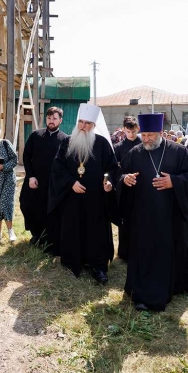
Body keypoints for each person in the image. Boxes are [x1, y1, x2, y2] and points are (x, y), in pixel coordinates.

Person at [117, 112, 188, 311]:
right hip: (142, 216)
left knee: (169, 250)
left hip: (170, 216)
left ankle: (173, 285)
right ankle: (142, 291)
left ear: (161, 133)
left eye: (151, 135)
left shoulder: (179, 151)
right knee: (144, 252)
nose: (146, 139)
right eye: (144, 135)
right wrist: (125, 179)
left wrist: (175, 181)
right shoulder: (135, 152)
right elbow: (120, 172)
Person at [48, 104, 117, 284]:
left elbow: (112, 168)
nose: (83, 126)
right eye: (81, 122)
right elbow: (57, 167)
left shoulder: (102, 144)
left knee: (96, 231)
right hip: (73, 198)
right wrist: (71, 183)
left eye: (87, 123)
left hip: (96, 198)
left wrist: (109, 181)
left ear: (94, 125)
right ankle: (73, 262)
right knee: (73, 228)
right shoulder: (67, 142)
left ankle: (98, 266)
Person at [19, 107, 67, 246]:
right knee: (27, 205)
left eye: (54, 118)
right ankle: (35, 233)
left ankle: (47, 237)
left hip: (52, 183)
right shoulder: (36, 135)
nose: (51, 121)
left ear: (60, 120)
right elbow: (26, 156)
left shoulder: (64, 139)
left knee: (48, 210)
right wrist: (30, 176)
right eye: (49, 118)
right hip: (34, 180)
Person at [112, 116, 142, 260]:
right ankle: (124, 252)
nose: (131, 134)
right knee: (125, 220)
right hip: (124, 189)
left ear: (138, 129)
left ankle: (140, 250)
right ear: (124, 130)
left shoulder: (143, 144)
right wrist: (124, 177)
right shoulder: (118, 148)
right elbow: (114, 169)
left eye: (134, 132)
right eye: (128, 132)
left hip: (141, 188)